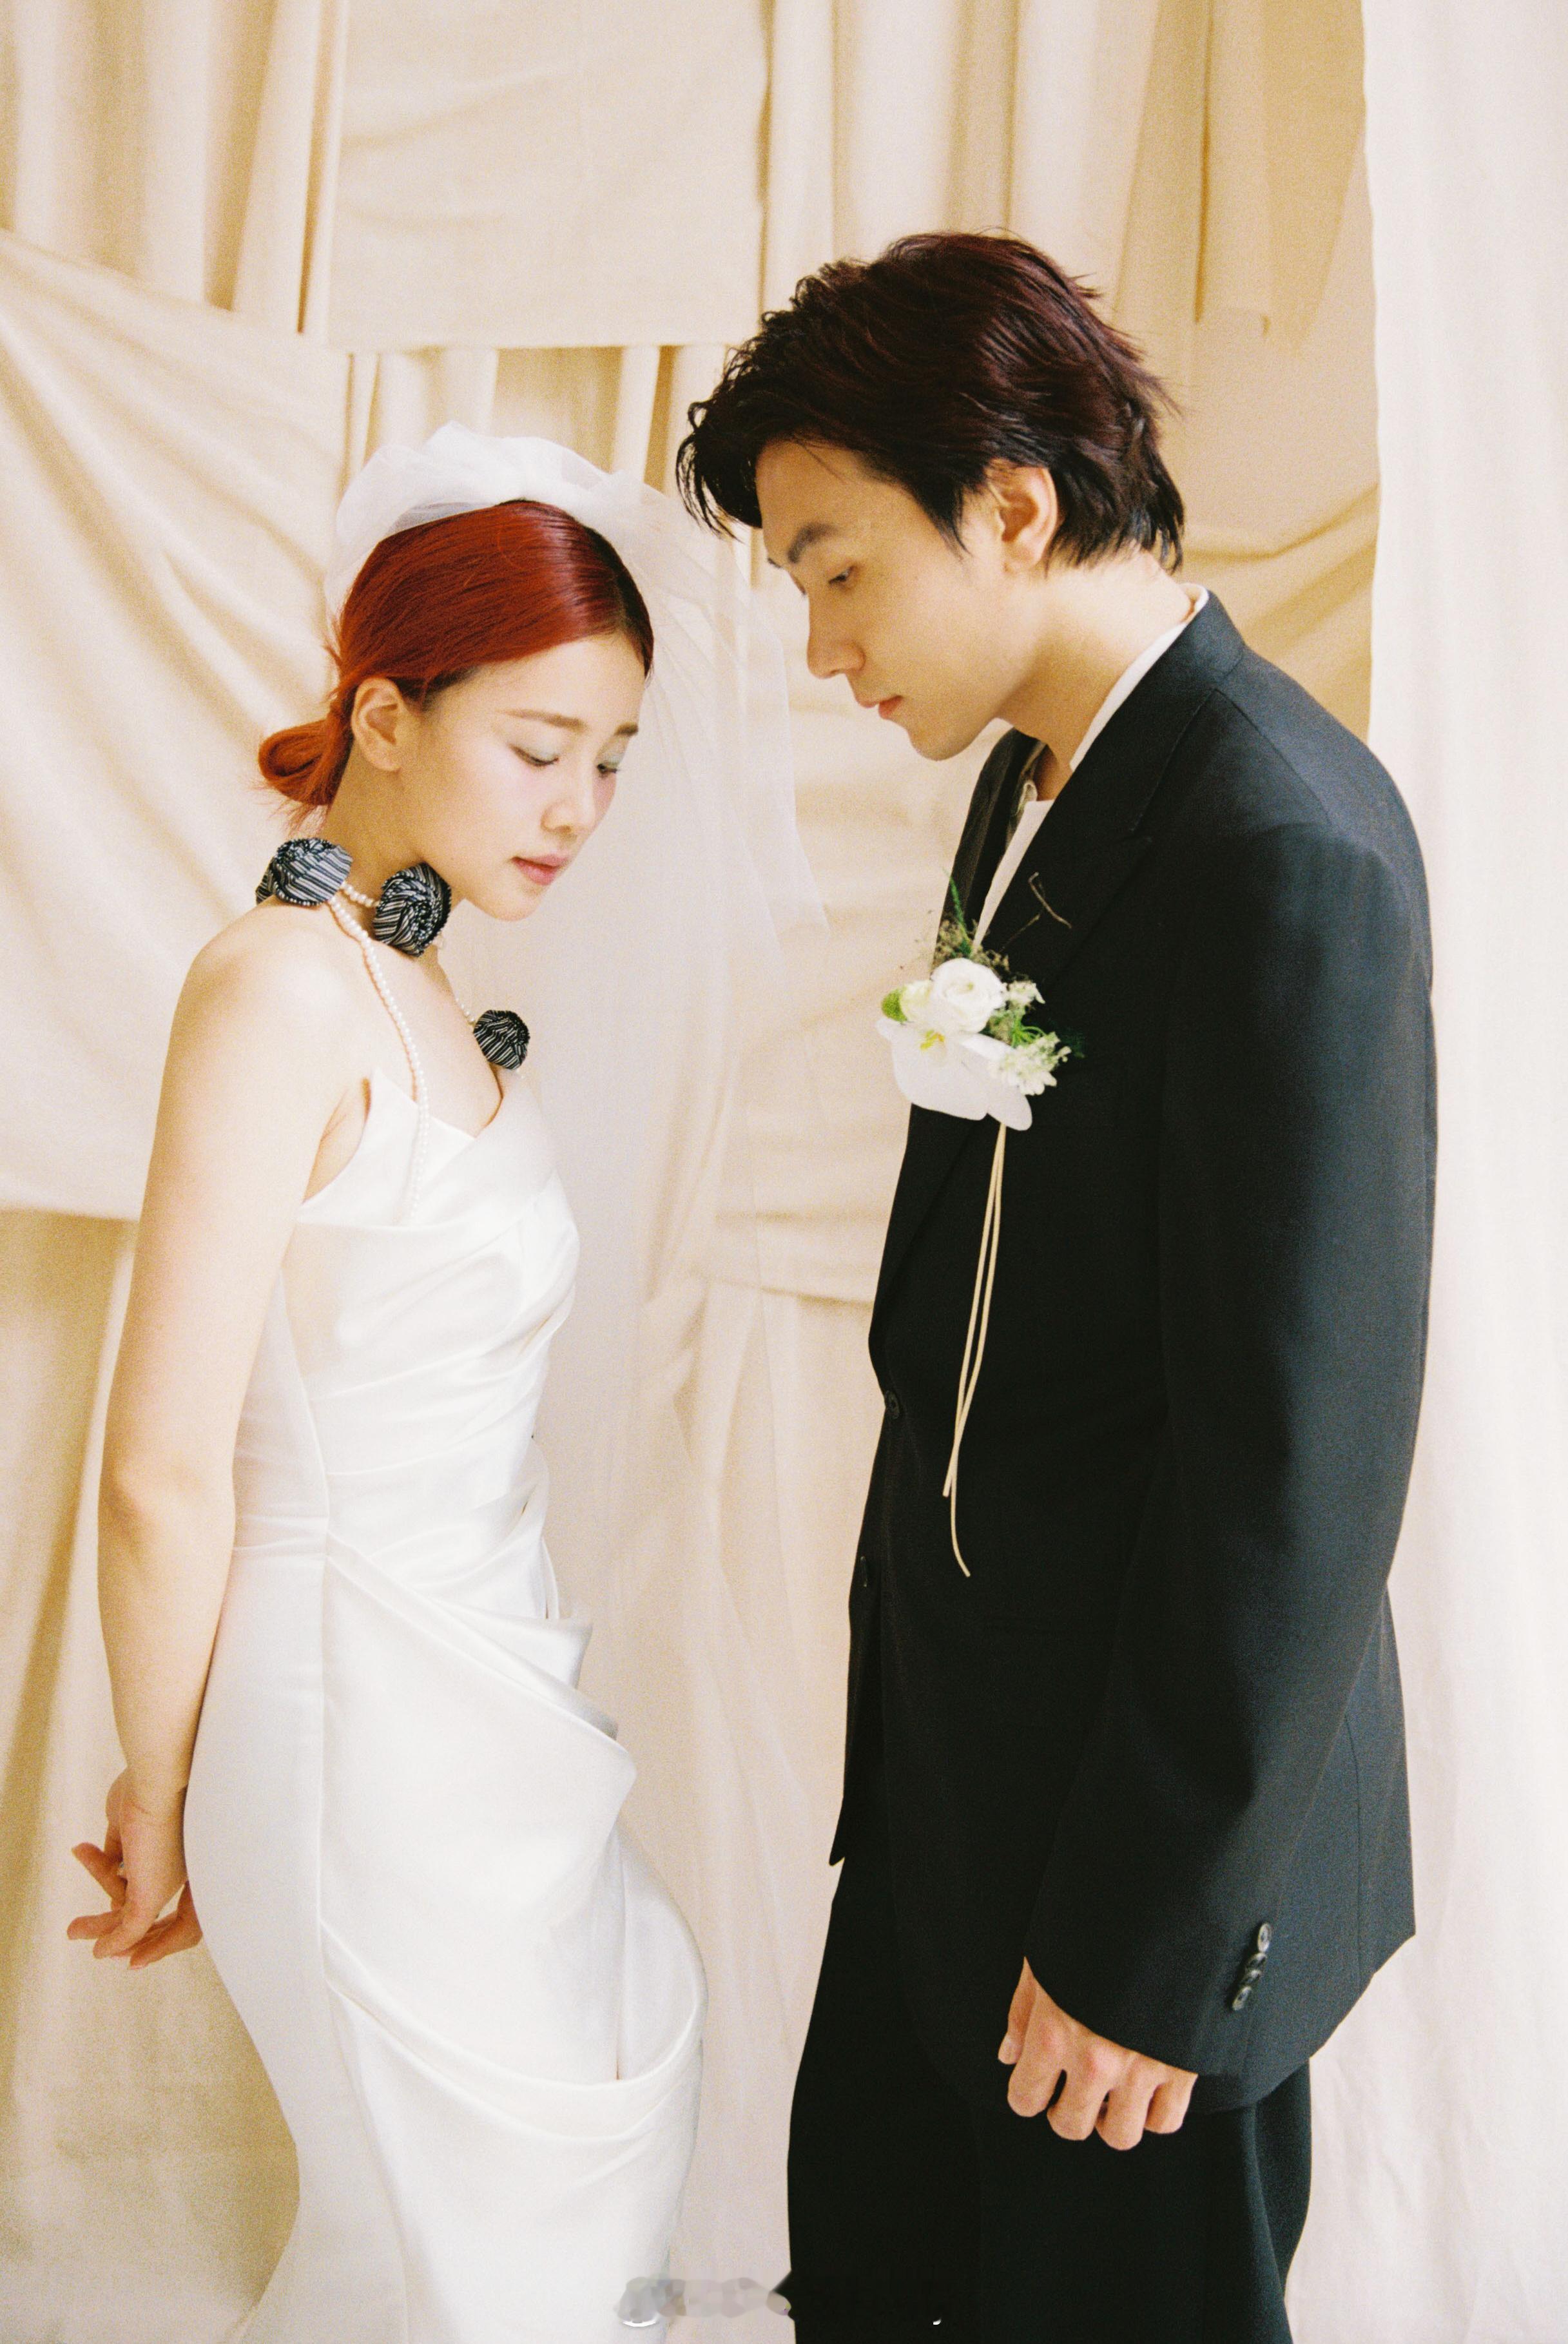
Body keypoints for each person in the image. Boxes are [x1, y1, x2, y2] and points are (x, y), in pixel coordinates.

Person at [678, 232, 1435, 2341]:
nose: (822, 642)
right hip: (955, 1789)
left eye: (837, 568)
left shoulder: (1280, 846)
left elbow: (1294, 1466)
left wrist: (1138, 1941)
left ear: (1011, 504)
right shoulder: (1030, 779)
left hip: (1132, 1863)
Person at [65, 427, 804, 2344]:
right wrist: (167, 1783)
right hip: (350, 1718)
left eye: (612, 762)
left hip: (489, 1691)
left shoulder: (422, 982)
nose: (580, 808)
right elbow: (161, 1467)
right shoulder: (279, 984)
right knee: (470, 2252)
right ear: (384, 715)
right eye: (539, 748)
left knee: (540, 2216)